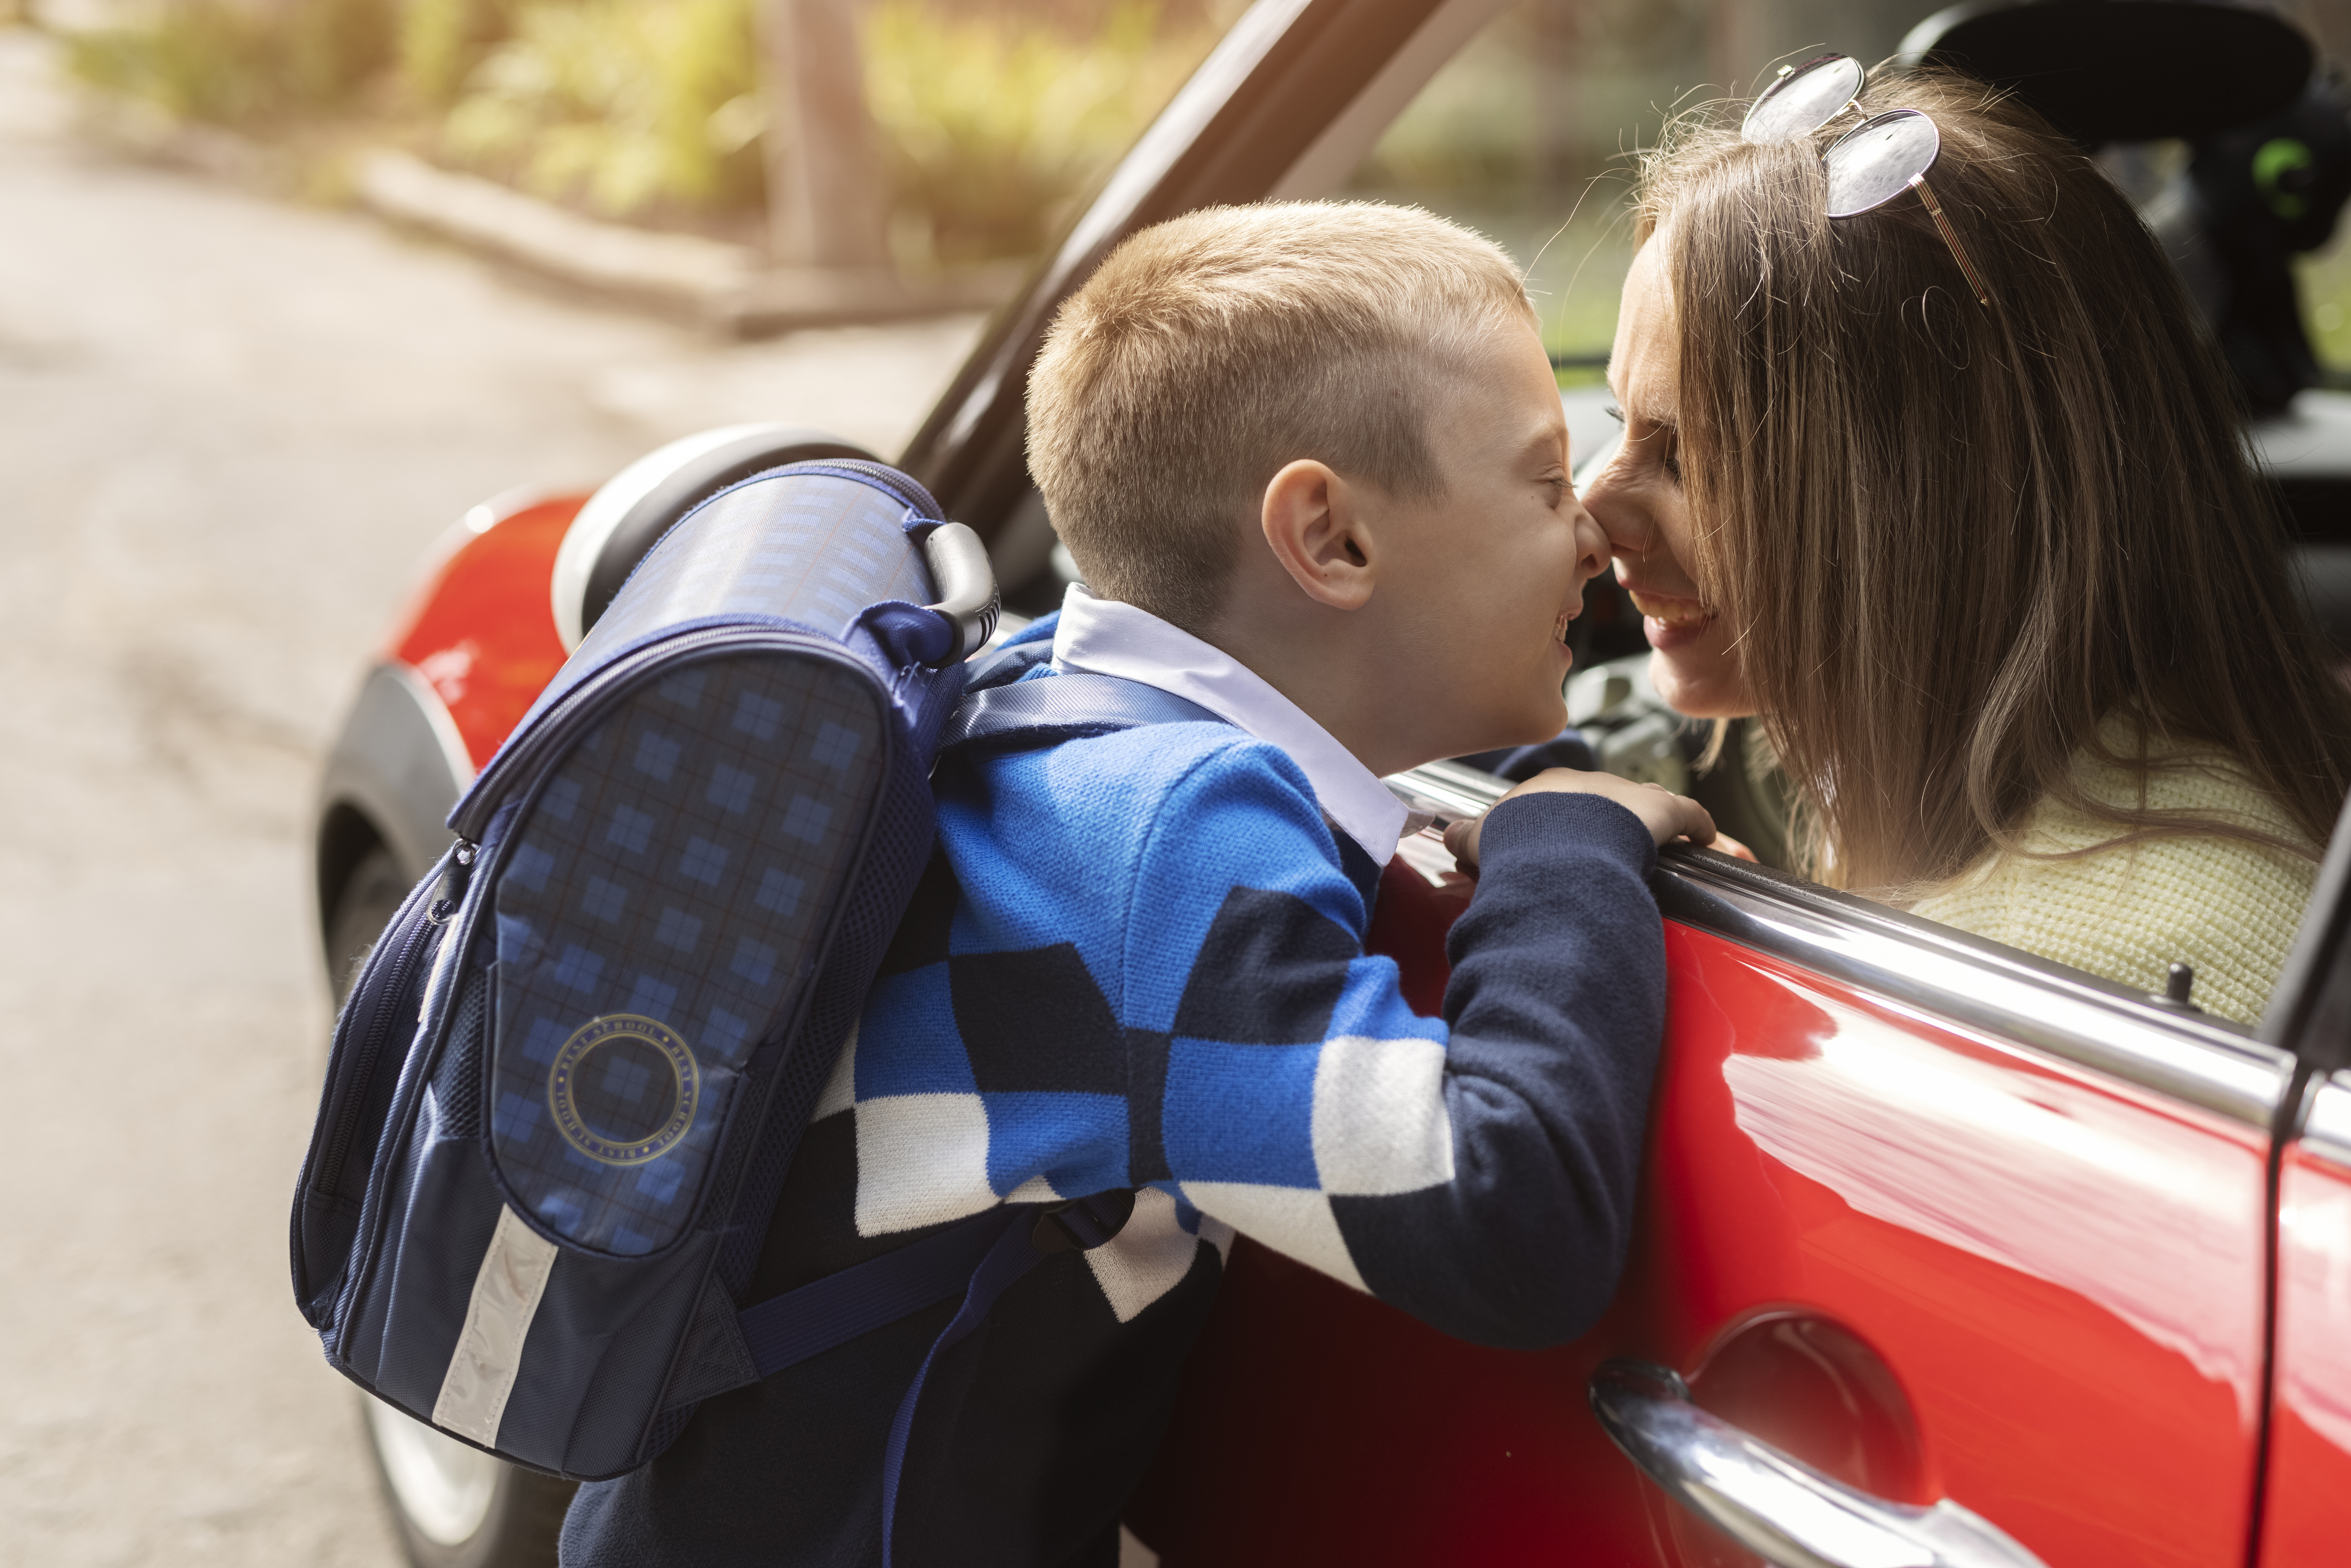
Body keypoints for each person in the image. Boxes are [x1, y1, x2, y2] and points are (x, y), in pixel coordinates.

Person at [558, 201, 1715, 1568]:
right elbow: (1506, 1221)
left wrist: (1540, 757)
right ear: (1329, 540)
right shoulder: (1164, 837)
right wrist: (1564, 848)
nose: (1586, 529)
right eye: (1539, 479)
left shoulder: (1044, 708)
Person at [1581, 66, 2351, 1028]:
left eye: (1691, 457)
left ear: (1922, 506)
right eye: (1620, 421)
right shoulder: (1915, 761)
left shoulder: (2086, 979)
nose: (1591, 506)